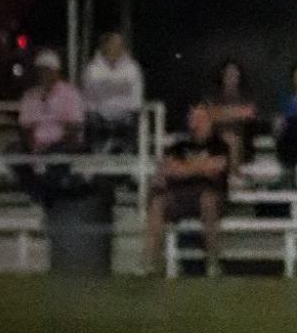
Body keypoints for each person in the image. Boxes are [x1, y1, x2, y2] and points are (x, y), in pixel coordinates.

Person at [146, 99, 231, 274]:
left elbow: (217, 167)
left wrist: (184, 168)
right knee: (158, 203)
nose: (196, 120)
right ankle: (151, 264)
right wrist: (200, 167)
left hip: (209, 194)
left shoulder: (219, 145)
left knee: (208, 201)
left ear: (209, 120)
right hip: (180, 195)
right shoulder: (178, 146)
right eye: (193, 116)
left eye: (201, 116)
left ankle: (213, 263)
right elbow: (168, 170)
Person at [81, 30, 144, 149]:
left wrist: (106, 86)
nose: (115, 47)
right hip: (99, 116)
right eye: (112, 44)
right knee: (91, 119)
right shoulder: (92, 68)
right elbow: (92, 93)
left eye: (119, 44)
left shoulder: (132, 67)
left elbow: (134, 95)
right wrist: (119, 86)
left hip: (126, 116)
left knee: (133, 119)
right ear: (104, 46)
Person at [18, 50, 86, 158]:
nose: (44, 74)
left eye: (48, 70)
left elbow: (74, 126)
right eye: (41, 70)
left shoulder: (70, 93)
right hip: (35, 146)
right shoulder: (30, 96)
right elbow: (25, 127)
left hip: (62, 145)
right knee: (14, 154)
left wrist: (52, 146)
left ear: (56, 71)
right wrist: (33, 146)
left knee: (58, 154)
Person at [208, 58, 258, 173]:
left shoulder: (246, 96)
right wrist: (236, 112)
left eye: (234, 73)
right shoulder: (214, 96)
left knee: (231, 140)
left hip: (242, 142)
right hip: (214, 141)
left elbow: (249, 113)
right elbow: (208, 115)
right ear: (222, 75)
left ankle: (232, 178)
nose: (231, 76)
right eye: (228, 73)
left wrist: (221, 113)